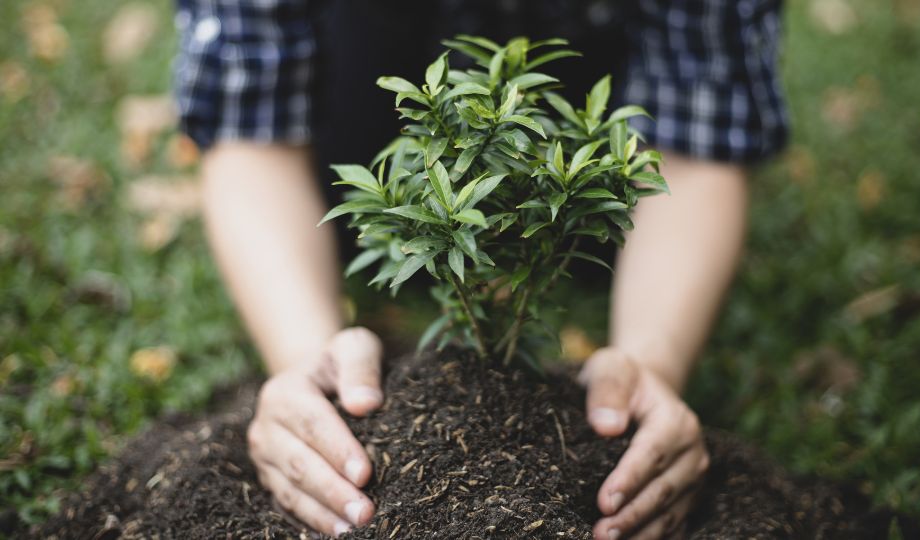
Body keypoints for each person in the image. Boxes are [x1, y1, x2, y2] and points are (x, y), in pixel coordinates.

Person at [173, 1, 788, 538]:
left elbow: (699, 135)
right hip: (380, 139)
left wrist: (650, 365)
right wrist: (306, 357)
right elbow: (248, 123)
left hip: (577, 175)